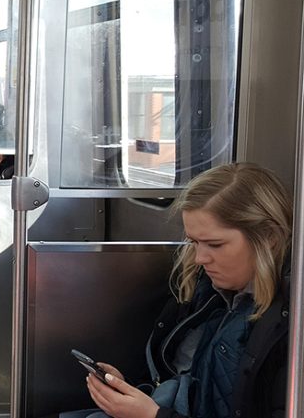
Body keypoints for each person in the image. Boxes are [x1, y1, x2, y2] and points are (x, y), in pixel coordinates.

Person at [73, 162, 291, 418]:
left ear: (269, 238)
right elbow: (181, 382)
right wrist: (131, 393)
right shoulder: (207, 292)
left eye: (215, 244)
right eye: (194, 242)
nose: (200, 258)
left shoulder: (285, 327)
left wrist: (152, 416)